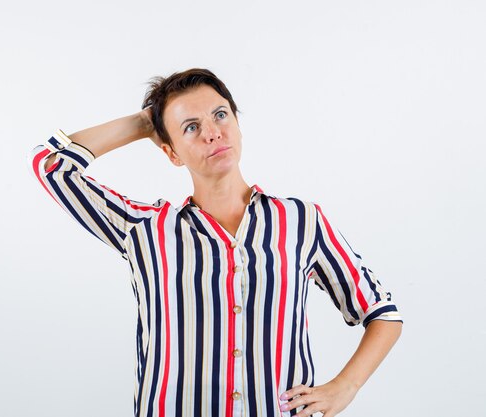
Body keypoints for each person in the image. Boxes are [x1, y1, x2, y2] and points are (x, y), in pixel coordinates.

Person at [27, 68, 403, 417]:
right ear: (171, 153)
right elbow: (50, 164)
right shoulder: (144, 228)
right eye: (191, 127)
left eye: (221, 115)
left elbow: (382, 312)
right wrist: (145, 122)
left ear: (238, 124)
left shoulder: (302, 221)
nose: (212, 132)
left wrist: (345, 387)